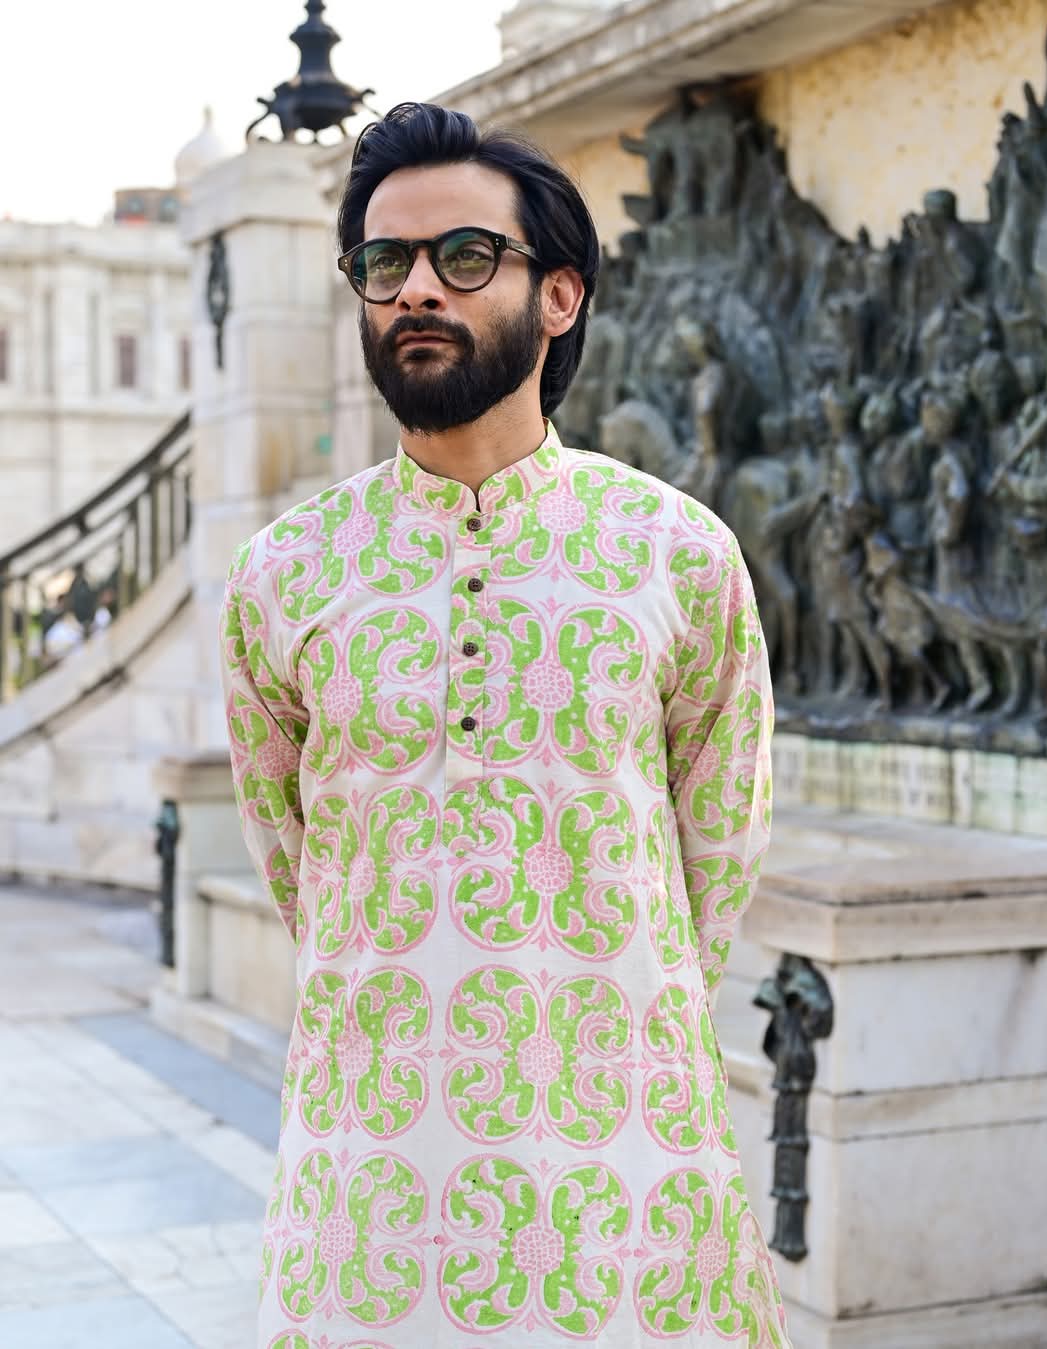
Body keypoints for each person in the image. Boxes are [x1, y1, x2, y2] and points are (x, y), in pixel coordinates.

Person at [220, 102, 786, 1349]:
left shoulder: (680, 556)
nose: (417, 288)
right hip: (369, 1188)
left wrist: (595, 1013)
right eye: (385, 263)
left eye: (465, 256)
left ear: (560, 296)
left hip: (629, 1175)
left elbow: (720, 851)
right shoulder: (284, 576)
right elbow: (294, 859)